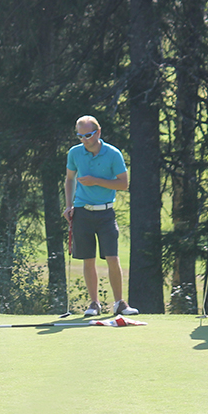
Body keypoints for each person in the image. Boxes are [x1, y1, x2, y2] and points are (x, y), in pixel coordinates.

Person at [63, 115, 138, 317]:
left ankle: (120, 304)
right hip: (81, 212)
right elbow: (69, 180)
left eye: (87, 135)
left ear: (98, 132)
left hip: (105, 212)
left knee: (112, 258)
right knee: (88, 259)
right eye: (80, 136)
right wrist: (68, 206)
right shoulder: (75, 153)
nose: (84, 140)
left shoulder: (113, 154)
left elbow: (123, 184)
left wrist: (96, 180)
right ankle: (94, 304)